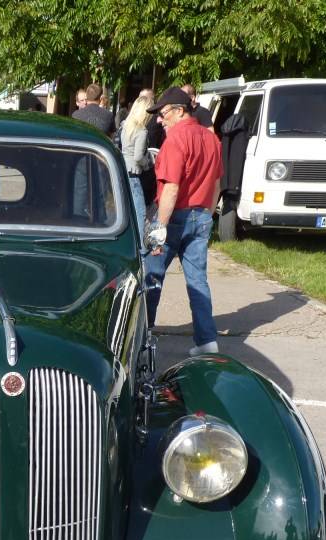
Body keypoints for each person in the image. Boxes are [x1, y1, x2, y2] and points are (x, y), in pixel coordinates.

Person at [144, 87, 223, 356]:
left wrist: (158, 229)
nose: (159, 119)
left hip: (173, 214)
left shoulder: (176, 139)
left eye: (163, 114)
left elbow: (171, 189)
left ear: (179, 111)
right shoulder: (211, 139)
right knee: (198, 280)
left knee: (152, 275)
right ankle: (207, 341)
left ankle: (143, 335)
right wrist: (208, 216)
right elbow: (217, 183)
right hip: (201, 214)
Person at [121, 96, 152, 246]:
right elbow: (139, 156)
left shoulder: (125, 125)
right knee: (140, 212)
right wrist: (147, 163)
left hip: (122, 171)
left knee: (125, 211)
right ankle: (140, 247)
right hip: (134, 173)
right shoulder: (142, 130)